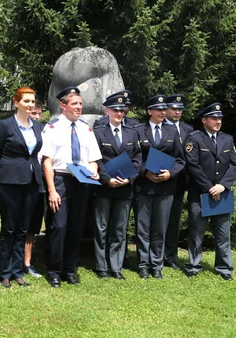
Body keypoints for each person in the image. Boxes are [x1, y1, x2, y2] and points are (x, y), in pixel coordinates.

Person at [40, 85, 101, 288]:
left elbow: (93, 159)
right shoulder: (52, 128)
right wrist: (52, 190)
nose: (79, 107)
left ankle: (69, 269)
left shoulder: (86, 129)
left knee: (76, 227)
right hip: (61, 180)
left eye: (80, 104)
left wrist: (93, 170)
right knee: (59, 226)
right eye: (74, 104)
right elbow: (47, 161)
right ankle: (54, 270)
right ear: (63, 106)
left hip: (81, 181)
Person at [0, 87, 43, 288]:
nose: (30, 105)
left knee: (23, 228)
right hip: (9, 182)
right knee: (9, 228)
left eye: (32, 101)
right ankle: (4, 272)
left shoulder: (37, 127)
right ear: (16, 102)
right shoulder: (5, 125)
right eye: (26, 101)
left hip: (31, 182)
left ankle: (17, 271)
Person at [184, 103, 236, 280]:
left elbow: (234, 164)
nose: (218, 121)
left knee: (223, 234)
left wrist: (222, 185)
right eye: (214, 118)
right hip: (200, 194)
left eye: (220, 118)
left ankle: (224, 268)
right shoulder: (194, 139)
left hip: (222, 194)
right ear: (204, 120)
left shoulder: (227, 139)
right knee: (196, 232)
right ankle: (193, 266)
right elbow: (193, 166)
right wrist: (209, 187)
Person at [134, 95, 185, 279]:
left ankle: (157, 265)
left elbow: (180, 160)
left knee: (160, 228)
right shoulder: (139, 130)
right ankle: (143, 264)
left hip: (165, 188)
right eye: (159, 109)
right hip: (144, 186)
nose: (163, 112)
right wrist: (143, 172)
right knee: (143, 228)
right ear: (150, 111)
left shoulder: (172, 132)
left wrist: (170, 173)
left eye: (165, 109)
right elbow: (135, 157)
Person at [92, 93, 142, 279]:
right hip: (104, 187)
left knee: (119, 229)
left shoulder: (132, 132)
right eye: (115, 110)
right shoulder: (98, 132)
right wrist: (107, 179)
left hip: (125, 188)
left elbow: (138, 159)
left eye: (122, 110)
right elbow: (95, 159)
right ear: (107, 111)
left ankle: (116, 266)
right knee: (102, 227)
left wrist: (129, 179)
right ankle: (101, 266)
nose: (119, 114)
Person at [163, 94, 194, 270]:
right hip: (162, 178)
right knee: (159, 220)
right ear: (166, 109)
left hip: (180, 181)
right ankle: (157, 255)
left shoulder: (187, 129)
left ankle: (171, 256)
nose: (177, 112)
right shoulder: (160, 127)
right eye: (174, 108)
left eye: (180, 109)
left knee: (173, 220)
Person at [23, 97, 45, 278]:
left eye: (39, 113)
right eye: (33, 113)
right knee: (19, 224)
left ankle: (27, 262)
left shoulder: (43, 133)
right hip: (22, 182)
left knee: (32, 227)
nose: (36, 117)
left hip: (39, 183)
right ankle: (15, 260)